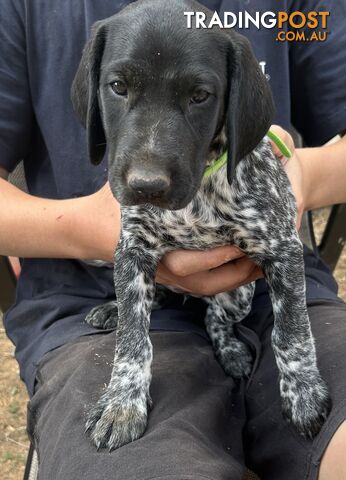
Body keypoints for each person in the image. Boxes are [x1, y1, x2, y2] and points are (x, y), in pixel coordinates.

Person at [0, 0, 345, 479]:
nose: (148, 168)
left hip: (268, 294)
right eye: (121, 87)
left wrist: (305, 173)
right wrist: (94, 229)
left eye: (198, 95)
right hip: (87, 303)